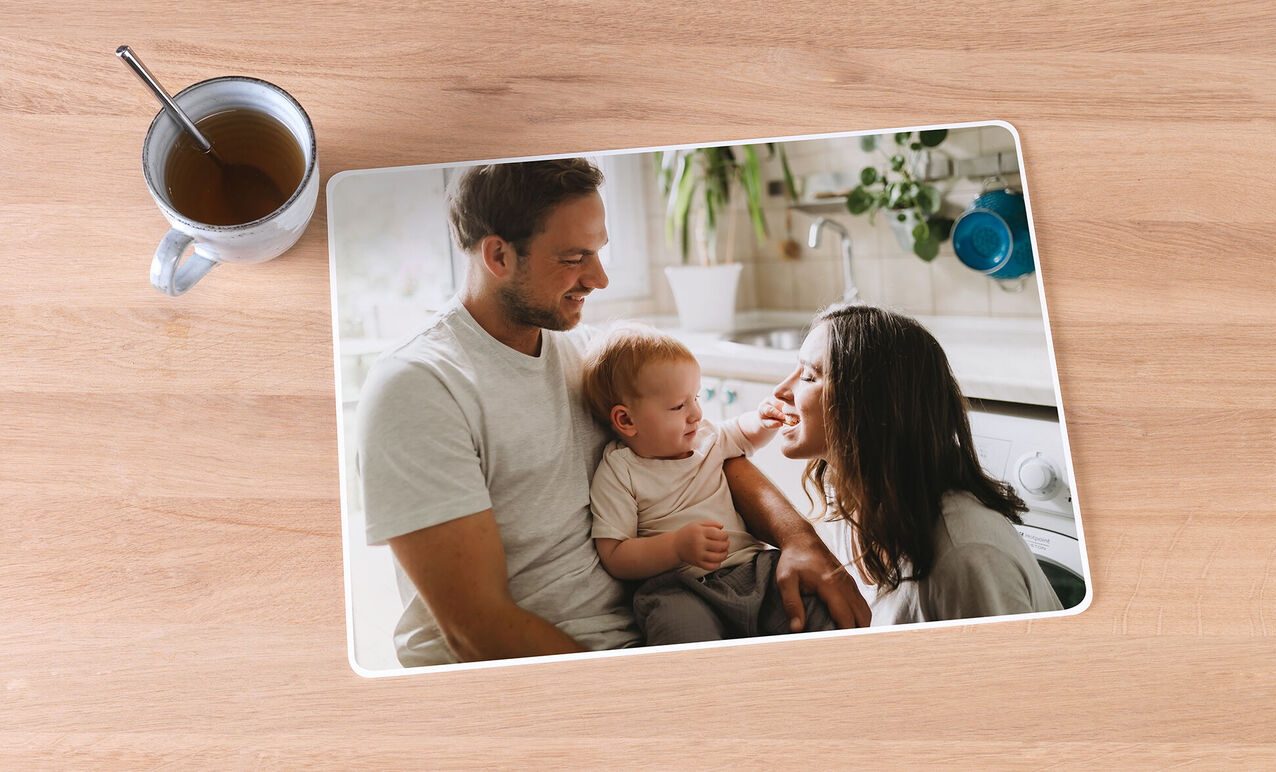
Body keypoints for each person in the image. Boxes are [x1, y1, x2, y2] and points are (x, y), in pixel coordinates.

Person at [356, 158, 868, 668]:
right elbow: (477, 627)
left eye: (599, 251)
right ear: (498, 256)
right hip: (556, 673)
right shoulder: (420, 388)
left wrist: (801, 542)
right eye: (574, 256)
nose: (599, 278)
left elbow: (704, 454)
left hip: (657, 630)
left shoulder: (588, 358)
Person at [769, 302, 1064, 624]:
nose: (782, 390)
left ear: (871, 405)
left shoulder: (965, 558)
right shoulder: (848, 495)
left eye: (809, 377)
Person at [581, 323, 837, 646]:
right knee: (680, 633)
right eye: (679, 406)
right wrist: (675, 547)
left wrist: (763, 419)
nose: (696, 413)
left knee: (811, 610)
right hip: (679, 588)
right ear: (626, 421)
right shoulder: (620, 470)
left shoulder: (707, 436)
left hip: (754, 570)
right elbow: (614, 553)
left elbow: (743, 433)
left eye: (696, 397)